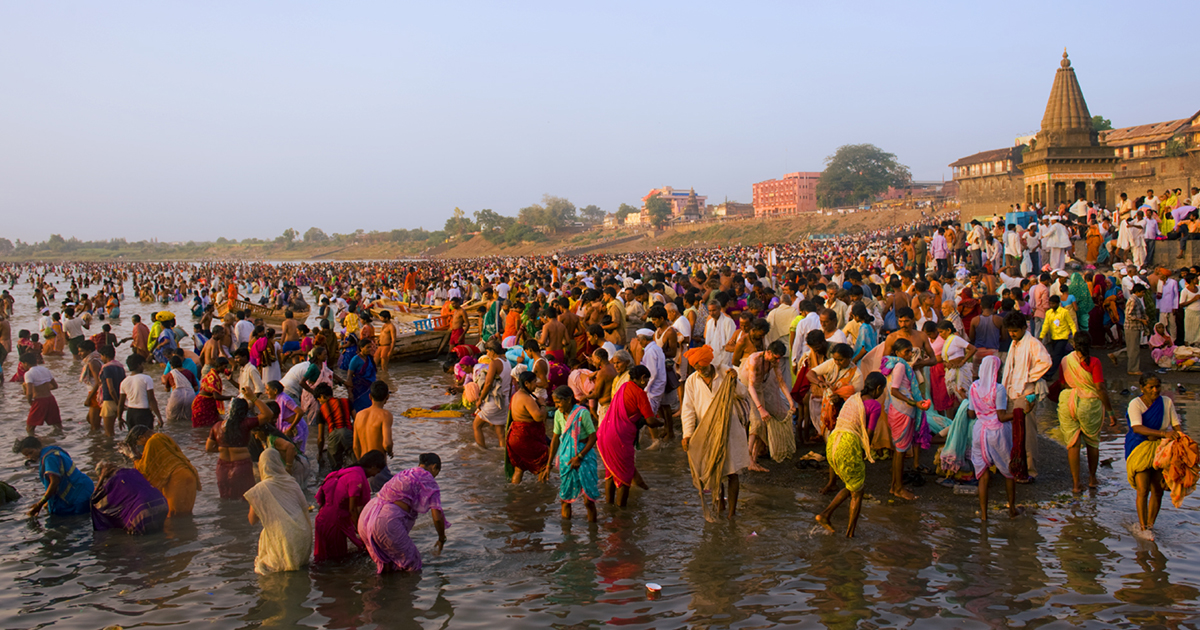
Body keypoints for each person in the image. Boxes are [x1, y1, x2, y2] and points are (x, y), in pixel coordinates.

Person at [682, 344, 752, 520]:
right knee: (715, 469)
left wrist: (734, 381)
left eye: (703, 367)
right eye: (697, 368)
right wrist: (687, 434)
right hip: (707, 430)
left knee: (732, 470)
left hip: (730, 429)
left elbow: (743, 394)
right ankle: (720, 504)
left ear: (709, 363)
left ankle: (731, 512)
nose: (700, 370)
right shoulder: (692, 380)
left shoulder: (726, 373)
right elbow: (688, 409)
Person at [816, 372, 887, 537]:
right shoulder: (874, 405)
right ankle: (849, 535)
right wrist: (866, 451)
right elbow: (868, 434)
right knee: (857, 491)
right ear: (878, 388)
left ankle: (826, 515)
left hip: (833, 441)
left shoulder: (853, 398)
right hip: (848, 444)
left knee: (853, 485)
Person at [357, 453, 448, 573]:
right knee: (413, 565)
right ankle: (404, 591)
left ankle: (382, 590)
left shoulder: (405, 473)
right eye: (437, 472)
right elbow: (437, 517)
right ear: (434, 467)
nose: (435, 476)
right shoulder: (428, 479)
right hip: (385, 521)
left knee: (387, 564)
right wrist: (442, 538)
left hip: (366, 515)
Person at [1125, 374, 1185, 540]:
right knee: (1143, 489)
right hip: (1140, 448)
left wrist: (1182, 441)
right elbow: (1137, 427)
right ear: (1142, 388)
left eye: (1157, 386)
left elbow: (1176, 425)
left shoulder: (1166, 402)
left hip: (1160, 449)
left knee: (1158, 490)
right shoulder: (1135, 404)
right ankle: (1143, 527)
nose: (1155, 390)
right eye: (1150, 387)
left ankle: (1150, 526)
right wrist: (1163, 433)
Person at [1055, 334, 1117, 494]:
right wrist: (1110, 412)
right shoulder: (1094, 362)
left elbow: (1063, 384)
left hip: (1068, 401)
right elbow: (1100, 389)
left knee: (1073, 443)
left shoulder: (1065, 361)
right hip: (1089, 403)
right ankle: (1092, 478)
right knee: (1092, 442)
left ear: (1073, 344)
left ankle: (1076, 484)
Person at [966, 356, 1022, 521]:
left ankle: (984, 515)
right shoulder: (998, 389)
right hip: (997, 432)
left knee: (982, 475)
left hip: (979, 431)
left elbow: (970, 413)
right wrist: (1021, 412)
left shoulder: (974, 387)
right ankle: (1011, 508)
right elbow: (1002, 416)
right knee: (1008, 471)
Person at [595, 365, 660, 506]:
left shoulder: (624, 387)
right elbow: (650, 420)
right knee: (624, 476)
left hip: (603, 433)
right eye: (647, 380)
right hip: (619, 438)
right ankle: (621, 514)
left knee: (610, 474)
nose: (647, 383)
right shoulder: (640, 393)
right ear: (643, 379)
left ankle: (609, 507)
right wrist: (662, 424)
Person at [1001, 312, 1051, 482]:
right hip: (1011, 391)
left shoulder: (1032, 343)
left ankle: (1030, 471)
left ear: (1024, 328)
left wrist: (1028, 376)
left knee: (1027, 434)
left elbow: (1046, 362)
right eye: (1010, 331)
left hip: (1025, 393)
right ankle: (1014, 467)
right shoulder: (1014, 343)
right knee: (1012, 432)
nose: (1012, 334)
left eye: (1014, 331)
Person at [245, 448, 313, 574]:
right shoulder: (292, 483)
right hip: (303, 537)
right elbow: (305, 508)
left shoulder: (260, 489)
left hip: (284, 541)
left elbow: (252, 520)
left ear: (261, 466)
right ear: (279, 463)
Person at [314, 450, 387, 562]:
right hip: (334, 523)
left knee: (323, 558)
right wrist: (362, 533)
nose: (376, 474)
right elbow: (352, 509)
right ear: (373, 466)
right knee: (337, 559)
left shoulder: (347, 471)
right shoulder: (356, 477)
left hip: (323, 519)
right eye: (378, 470)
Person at [548, 385, 601, 521]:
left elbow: (593, 437)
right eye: (555, 402)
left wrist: (579, 456)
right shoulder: (558, 415)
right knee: (564, 499)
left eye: (559, 402)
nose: (557, 405)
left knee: (588, 500)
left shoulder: (582, 413)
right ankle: (566, 535)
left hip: (584, 456)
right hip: (567, 458)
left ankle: (592, 534)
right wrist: (548, 464)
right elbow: (555, 438)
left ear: (569, 399)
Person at [126, 425, 202, 516]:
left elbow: (145, 470)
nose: (142, 446)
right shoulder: (162, 437)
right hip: (188, 475)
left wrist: (132, 457)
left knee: (173, 516)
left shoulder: (152, 441)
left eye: (139, 444)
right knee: (185, 514)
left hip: (178, 480)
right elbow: (153, 462)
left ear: (141, 437)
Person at [16, 436, 94, 518]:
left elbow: (54, 483)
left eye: (31, 452)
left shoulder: (50, 458)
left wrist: (40, 504)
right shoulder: (53, 450)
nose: (29, 457)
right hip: (83, 487)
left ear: (38, 447)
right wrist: (46, 503)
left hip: (78, 495)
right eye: (26, 455)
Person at [90, 463, 169, 534]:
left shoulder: (112, 483)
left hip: (142, 511)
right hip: (162, 502)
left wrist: (100, 482)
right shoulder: (133, 471)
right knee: (159, 533)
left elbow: (95, 501)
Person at [205, 398, 259, 500]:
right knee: (247, 499)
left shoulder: (217, 426)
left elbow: (209, 448)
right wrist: (252, 397)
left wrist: (223, 448)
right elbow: (268, 414)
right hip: (241, 465)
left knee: (225, 498)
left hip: (222, 467)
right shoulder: (245, 424)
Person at [506, 370, 550, 484]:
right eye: (534, 382)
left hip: (514, 437)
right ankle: (541, 493)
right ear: (526, 383)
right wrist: (543, 404)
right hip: (524, 438)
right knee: (543, 462)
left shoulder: (516, 395)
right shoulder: (526, 398)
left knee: (519, 468)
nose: (536, 385)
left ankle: (515, 494)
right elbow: (539, 417)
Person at [473, 339, 511, 448]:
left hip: (494, 401)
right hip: (504, 401)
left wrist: (480, 399)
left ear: (492, 351)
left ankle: (481, 451)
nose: (487, 354)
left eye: (487, 351)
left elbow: (488, 383)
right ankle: (502, 452)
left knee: (476, 426)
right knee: (500, 431)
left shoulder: (494, 363)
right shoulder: (506, 361)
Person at [20, 353, 62, 436]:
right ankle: (60, 440)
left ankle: (33, 442)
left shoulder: (28, 374)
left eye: (22, 363)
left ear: (26, 363)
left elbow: (29, 392)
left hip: (39, 401)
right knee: (57, 425)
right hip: (50, 399)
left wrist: (30, 401)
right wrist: (44, 388)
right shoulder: (45, 370)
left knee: (30, 427)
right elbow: (55, 386)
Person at [118, 353, 163, 432]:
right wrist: (159, 417)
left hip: (130, 413)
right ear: (139, 365)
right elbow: (151, 399)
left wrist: (119, 418)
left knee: (134, 438)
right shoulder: (146, 378)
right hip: (143, 412)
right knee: (146, 436)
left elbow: (121, 404)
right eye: (143, 364)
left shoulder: (124, 382)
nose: (144, 367)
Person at [352, 380, 394, 463]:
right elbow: (387, 444)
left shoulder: (359, 415)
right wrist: (390, 452)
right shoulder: (385, 415)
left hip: (363, 462)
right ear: (387, 397)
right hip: (378, 464)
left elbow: (355, 447)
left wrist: (360, 463)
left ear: (370, 397)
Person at [192, 357, 231, 428]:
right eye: (224, 366)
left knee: (215, 424)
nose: (226, 369)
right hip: (203, 404)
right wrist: (232, 397)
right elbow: (216, 397)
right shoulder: (213, 378)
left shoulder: (213, 374)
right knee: (203, 427)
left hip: (208, 403)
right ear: (219, 366)